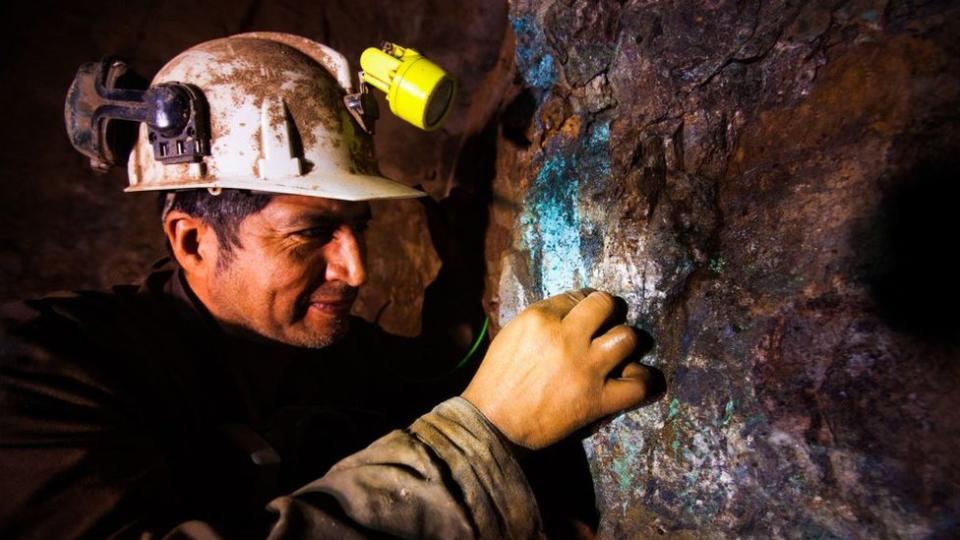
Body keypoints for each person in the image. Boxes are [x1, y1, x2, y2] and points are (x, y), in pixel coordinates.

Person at [0, 33, 656, 538]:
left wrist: (463, 299)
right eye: (310, 234)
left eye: (356, 228)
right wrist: (482, 439)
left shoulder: (330, 354)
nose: (356, 270)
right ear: (192, 240)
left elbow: (427, 377)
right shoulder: (37, 376)